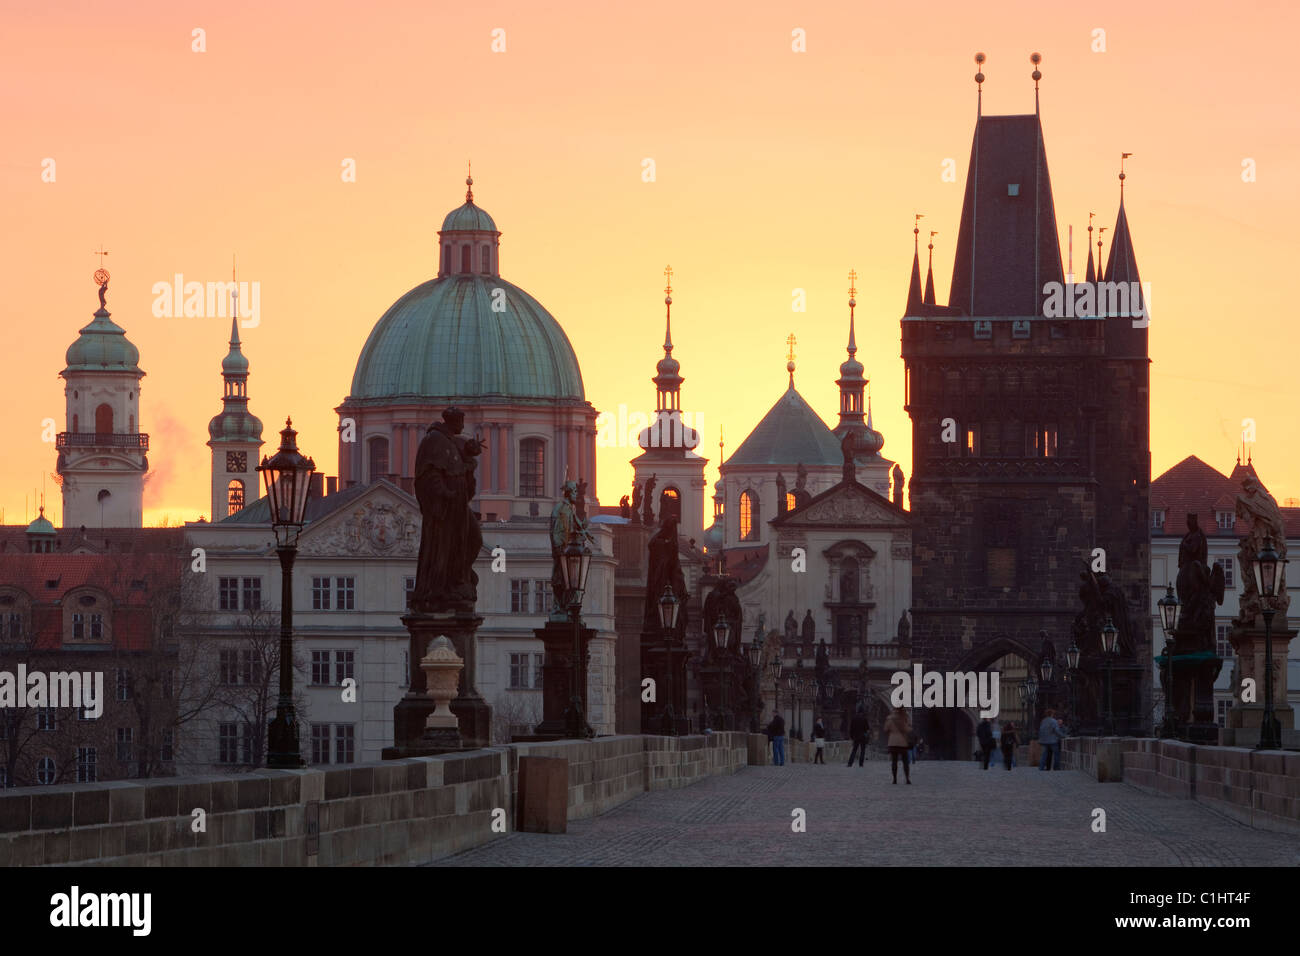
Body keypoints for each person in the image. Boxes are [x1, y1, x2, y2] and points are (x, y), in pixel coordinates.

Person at [884, 706, 912, 784]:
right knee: (905, 761)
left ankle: (894, 779)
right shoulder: (905, 717)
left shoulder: (890, 718)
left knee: (894, 761)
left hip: (893, 742)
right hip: (903, 742)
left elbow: (886, 729)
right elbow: (908, 729)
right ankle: (907, 778)